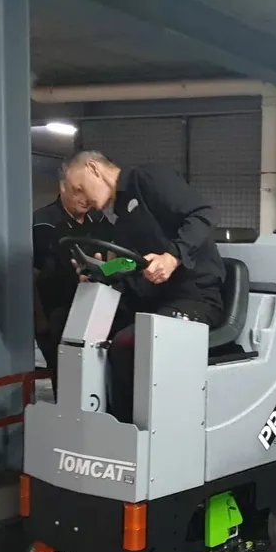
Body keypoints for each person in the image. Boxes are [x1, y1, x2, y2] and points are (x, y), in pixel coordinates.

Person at [59, 150, 226, 422]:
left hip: (195, 300)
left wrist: (172, 257)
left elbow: (204, 213)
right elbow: (131, 263)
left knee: (129, 343)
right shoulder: (122, 215)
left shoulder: (146, 179)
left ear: (93, 169)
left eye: (80, 188)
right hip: (153, 301)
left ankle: (132, 431)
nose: (81, 200)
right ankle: (90, 421)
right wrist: (102, 271)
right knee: (74, 330)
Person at [32, 161, 115, 392]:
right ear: (63, 188)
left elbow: (113, 255)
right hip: (57, 311)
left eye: (87, 190)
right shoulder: (44, 223)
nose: (84, 198)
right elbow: (32, 277)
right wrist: (40, 324)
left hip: (95, 306)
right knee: (66, 373)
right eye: (78, 190)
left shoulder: (98, 220)